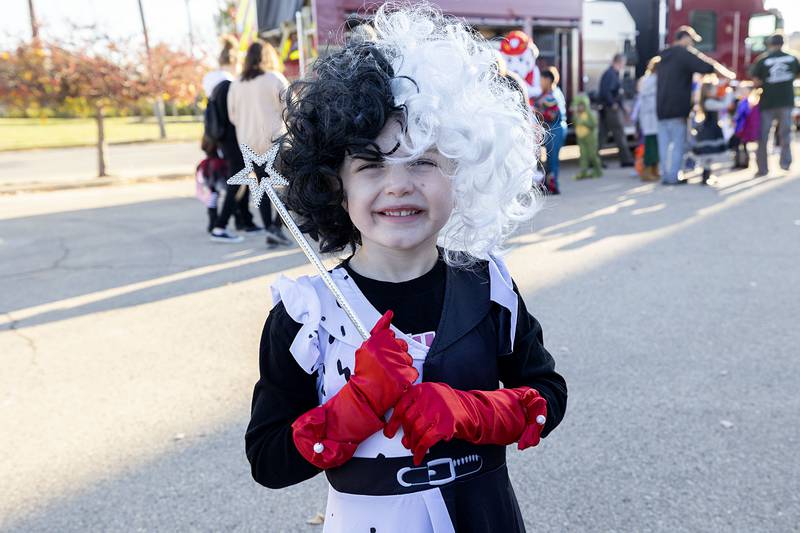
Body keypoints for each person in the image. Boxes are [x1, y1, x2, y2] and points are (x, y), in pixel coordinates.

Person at [244, 5, 567, 532]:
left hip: (484, 517)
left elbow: (548, 392)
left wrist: (474, 412)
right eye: (370, 165)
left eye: (422, 159)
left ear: (461, 169)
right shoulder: (306, 316)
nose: (398, 185)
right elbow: (268, 460)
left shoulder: (489, 288)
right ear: (334, 185)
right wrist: (356, 406)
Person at [222, 41, 292, 246]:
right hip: (275, 140)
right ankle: (276, 226)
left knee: (262, 186)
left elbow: (232, 116)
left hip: (248, 144)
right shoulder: (274, 78)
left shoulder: (236, 84)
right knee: (290, 188)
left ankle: (270, 227)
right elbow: (291, 109)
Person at [656, 26, 735, 185]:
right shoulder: (683, 54)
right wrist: (729, 76)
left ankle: (665, 175)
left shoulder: (664, 56)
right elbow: (707, 66)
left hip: (661, 108)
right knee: (678, 145)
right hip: (677, 109)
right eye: (691, 40)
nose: (692, 44)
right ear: (684, 38)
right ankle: (672, 177)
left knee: (664, 146)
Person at [204, 39, 264, 242]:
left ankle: (245, 222)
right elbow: (234, 117)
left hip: (221, 140)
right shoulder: (229, 85)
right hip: (233, 141)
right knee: (238, 181)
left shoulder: (214, 84)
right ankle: (220, 227)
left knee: (241, 180)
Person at [749, 33, 800, 176]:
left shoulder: (763, 60)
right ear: (783, 43)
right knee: (785, 134)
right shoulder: (792, 58)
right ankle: (785, 163)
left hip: (767, 103)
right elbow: (797, 74)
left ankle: (763, 168)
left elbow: (756, 80)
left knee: (763, 136)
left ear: (770, 44)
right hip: (786, 102)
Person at [691, 76, 731, 184]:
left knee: (710, 155)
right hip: (709, 131)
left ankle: (707, 175)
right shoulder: (709, 102)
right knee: (708, 155)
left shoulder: (710, 101)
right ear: (708, 91)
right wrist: (729, 93)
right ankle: (705, 177)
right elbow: (724, 105)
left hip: (711, 129)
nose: (716, 90)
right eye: (714, 88)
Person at [534, 67, 567, 194]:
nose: (540, 82)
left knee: (552, 160)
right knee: (550, 159)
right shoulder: (554, 92)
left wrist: (537, 110)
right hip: (556, 128)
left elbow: (551, 115)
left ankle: (552, 186)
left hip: (555, 128)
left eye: (541, 79)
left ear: (548, 80)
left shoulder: (551, 95)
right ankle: (549, 185)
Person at [597, 53, 634, 168]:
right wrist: (613, 104)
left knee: (602, 135)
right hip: (612, 110)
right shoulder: (611, 74)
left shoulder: (612, 74)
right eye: (623, 63)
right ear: (619, 62)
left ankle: (594, 160)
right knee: (619, 133)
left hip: (608, 108)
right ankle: (626, 159)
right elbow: (606, 91)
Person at [636, 56, 660, 181]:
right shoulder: (654, 80)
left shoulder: (646, 79)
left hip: (649, 116)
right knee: (651, 146)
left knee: (653, 145)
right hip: (651, 117)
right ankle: (647, 171)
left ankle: (654, 170)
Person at [570, 93, 603, 179]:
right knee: (583, 155)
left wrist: (584, 123)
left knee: (592, 155)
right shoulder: (577, 115)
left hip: (590, 137)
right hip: (581, 138)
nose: (580, 108)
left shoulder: (589, 114)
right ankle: (583, 171)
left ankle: (598, 170)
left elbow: (594, 124)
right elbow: (574, 122)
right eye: (579, 106)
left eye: (582, 106)